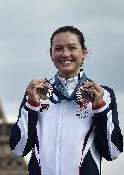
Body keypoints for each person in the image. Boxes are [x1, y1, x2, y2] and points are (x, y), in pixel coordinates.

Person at [9, 26, 123, 175]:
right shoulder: (35, 93)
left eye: (72, 48)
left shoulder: (103, 95)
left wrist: (100, 108)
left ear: (84, 53)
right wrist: (32, 105)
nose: (65, 54)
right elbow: (18, 149)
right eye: (58, 49)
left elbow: (112, 152)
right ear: (51, 55)